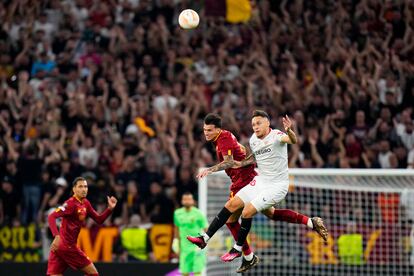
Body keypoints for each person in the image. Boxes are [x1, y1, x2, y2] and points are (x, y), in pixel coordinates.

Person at [188, 113, 327, 272]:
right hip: (260, 181)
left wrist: (289, 131)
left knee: (243, 213)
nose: (255, 126)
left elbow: (293, 140)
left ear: (267, 123)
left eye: (259, 123)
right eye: (253, 124)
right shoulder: (254, 139)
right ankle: (310, 222)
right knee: (261, 212)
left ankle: (238, 248)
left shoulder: (276, 135)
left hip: (273, 184)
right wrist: (241, 162)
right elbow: (254, 157)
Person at [47, 177, 117, 276]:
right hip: (67, 246)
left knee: (55, 274)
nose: (84, 189)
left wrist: (109, 209)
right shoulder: (70, 204)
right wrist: (56, 236)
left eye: (85, 186)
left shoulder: (85, 203)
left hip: (60, 248)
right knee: (93, 273)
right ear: (74, 189)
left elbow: (99, 220)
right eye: (80, 186)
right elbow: (51, 216)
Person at [173, 192, 208, 276]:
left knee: (197, 272)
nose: (187, 201)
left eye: (189, 199)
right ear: (182, 201)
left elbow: (206, 229)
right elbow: (176, 228)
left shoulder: (198, 213)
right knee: (184, 272)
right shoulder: (177, 213)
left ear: (193, 201)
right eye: (185, 199)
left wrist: (203, 242)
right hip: (184, 248)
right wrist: (175, 241)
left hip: (197, 248)